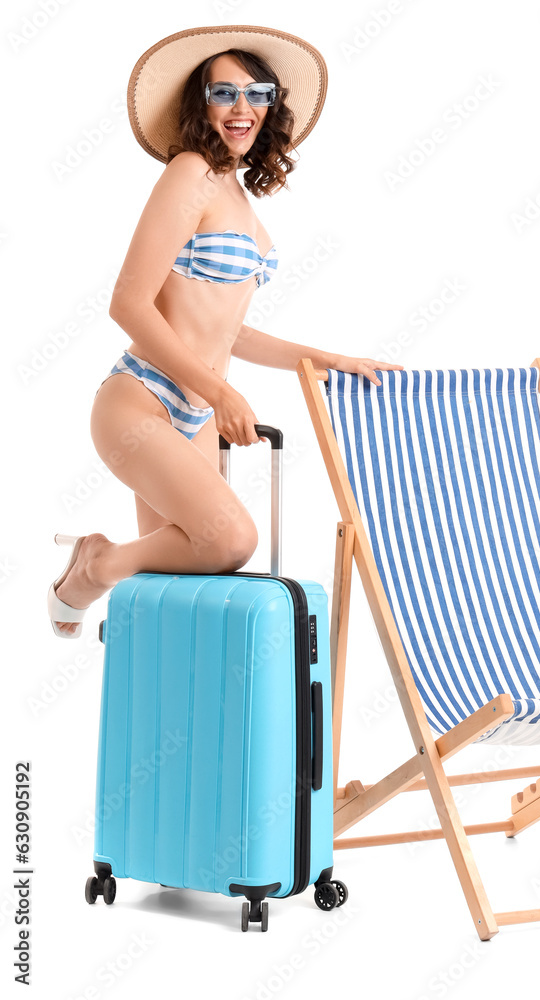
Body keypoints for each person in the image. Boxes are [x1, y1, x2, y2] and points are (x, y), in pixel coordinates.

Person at [48, 25, 400, 637]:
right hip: (144, 400)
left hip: (198, 414)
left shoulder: (237, 195)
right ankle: (94, 566)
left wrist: (327, 359)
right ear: (200, 103)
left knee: (180, 582)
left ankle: (146, 663)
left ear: (271, 105)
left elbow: (227, 330)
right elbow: (129, 304)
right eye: (224, 93)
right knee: (230, 541)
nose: (242, 108)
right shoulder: (189, 172)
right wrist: (219, 392)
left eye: (257, 93)